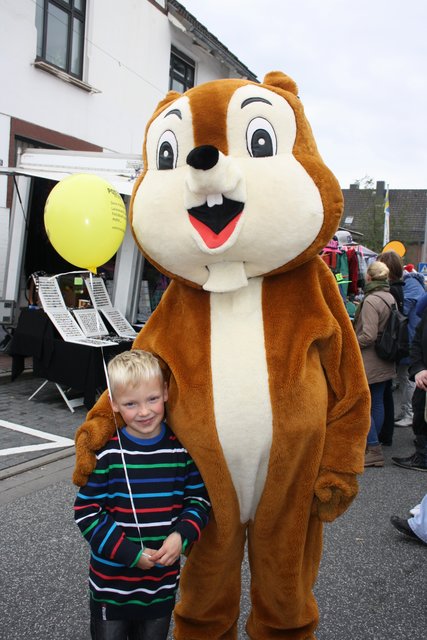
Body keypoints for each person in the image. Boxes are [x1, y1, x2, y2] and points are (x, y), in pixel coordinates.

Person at [74, 350, 211, 640]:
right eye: (131, 404)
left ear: (165, 392)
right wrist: (129, 553)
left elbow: (198, 501)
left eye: (151, 399)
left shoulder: (181, 452)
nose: (145, 411)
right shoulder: (108, 454)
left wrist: (180, 536)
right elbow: (86, 512)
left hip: (160, 589)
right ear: (114, 405)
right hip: (111, 588)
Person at [354, 261, 396, 467]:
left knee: (366, 406)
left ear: (369, 277)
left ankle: (373, 449)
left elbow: (368, 335)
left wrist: (351, 343)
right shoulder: (389, 296)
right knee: (377, 402)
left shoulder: (371, 300)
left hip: (370, 359)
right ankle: (375, 443)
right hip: (385, 358)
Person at [392, 306, 427, 471]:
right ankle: (422, 456)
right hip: (424, 377)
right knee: (420, 412)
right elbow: (417, 342)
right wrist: (419, 368)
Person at [376, 250, 404, 445]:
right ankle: (386, 434)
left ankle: (382, 435)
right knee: (385, 392)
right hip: (393, 344)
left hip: (385, 345)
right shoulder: (398, 288)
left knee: (381, 394)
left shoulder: (391, 290)